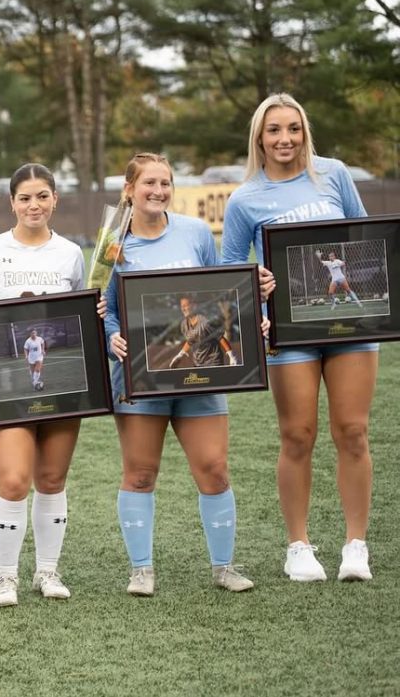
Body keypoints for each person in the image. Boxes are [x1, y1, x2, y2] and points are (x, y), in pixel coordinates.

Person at [222, 93, 376, 582]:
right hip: (288, 332)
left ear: (304, 131)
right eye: (274, 130)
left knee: (352, 431)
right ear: (259, 138)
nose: (285, 138)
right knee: (297, 434)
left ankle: (356, 545)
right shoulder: (245, 198)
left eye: (293, 128)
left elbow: (365, 239)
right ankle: (299, 546)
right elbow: (228, 271)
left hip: (349, 329)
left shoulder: (333, 175)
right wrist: (256, 281)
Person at [105, 153, 262, 597]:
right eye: (149, 183)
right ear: (129, 189)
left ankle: (223, 567)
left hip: (202, 373)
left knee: (213, 468)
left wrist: (256, 307)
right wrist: (111, 337)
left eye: (165, 183)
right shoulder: (111, 242)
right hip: (139, 376)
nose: (158, 191)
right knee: (140, 473)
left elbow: (219, 295)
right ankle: (141, 570)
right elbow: (103, 310)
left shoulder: (195, 232)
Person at [0, 163, 97, 607]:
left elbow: (84, 310)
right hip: (3, 384)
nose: (34, 205)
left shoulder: (71, 253)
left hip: (62, 387)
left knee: (52, 479)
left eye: (42, 196)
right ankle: (6, 576)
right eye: (25, 197)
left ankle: (48, 572)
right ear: (12, 202)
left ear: (55, 199)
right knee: (14, 480)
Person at [167, 296, 237, 369]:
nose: (183, 309)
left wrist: (232, 356)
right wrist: (180, 355)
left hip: (213, 363)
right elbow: (190, 341)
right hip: (197, 364)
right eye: (182, 306)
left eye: (186, 306)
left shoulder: (205, 322)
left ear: (194, 306)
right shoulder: (184, 324)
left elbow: (220, 338)